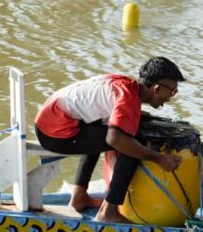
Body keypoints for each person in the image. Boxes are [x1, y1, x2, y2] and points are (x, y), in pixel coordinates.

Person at [34, 57, 185, 223]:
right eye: (172, 92)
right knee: (132, 142)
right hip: (54, 132)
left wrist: (132, 114)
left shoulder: (127, 85)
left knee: (109, 128)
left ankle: (79, 196)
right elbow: (116, 139)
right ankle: (108, 212)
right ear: (156, 89)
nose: (170, 97)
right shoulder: (128, 97)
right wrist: (158, 158)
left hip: (49, 122)